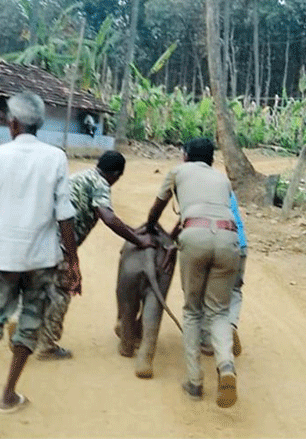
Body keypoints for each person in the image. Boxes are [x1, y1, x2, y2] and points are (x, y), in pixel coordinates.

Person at [0, 92, 82, 438]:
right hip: (40, 259)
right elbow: (65, 216)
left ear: (12, 123)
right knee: (29, 323)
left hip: (2, 255)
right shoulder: (55, 158)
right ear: (39, 124)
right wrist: (73, 261)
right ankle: (8, 394)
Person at [146, 138, 240, 408]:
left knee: (192, 310)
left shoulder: (178, 172)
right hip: (228, 238)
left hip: (194, 236)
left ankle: (195, 381)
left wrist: (150, 226)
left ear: (185, 155)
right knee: (219, 312)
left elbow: (159, 206)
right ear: (212, 158)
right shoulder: (222, 180)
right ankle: (226, 367)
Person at [33, 150, 154, 360]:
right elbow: (107, 216)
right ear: (115, 174)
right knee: (62, 291)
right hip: (60, 244)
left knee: (40, 286)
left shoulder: (81, 176)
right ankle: (47, 346)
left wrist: (133, 231)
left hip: (40, 239)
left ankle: (23, 329)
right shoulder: (100, 184)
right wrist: (138, 240)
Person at [200, 190, 246, 358]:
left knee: (206, 290)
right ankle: (231, 326)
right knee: (234, 290)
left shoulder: (197, 192)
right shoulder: (228, 191)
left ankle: (207, 339)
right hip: (239, 243)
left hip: (212, 242)